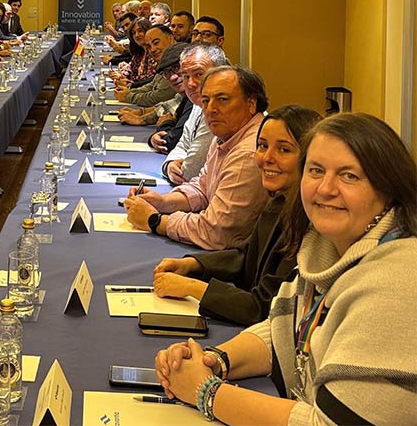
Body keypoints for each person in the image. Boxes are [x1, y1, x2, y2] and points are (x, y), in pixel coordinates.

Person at [155, 112, 417, 425]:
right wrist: (214, 360)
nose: (325, 189)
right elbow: (284, 330)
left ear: (388, 187)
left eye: (349, 176)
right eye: (316, 170)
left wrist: (206, 392)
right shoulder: (326, 248)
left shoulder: (398, 282)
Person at [153, 105, 322, 325]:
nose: (267, 157)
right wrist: (193, 264)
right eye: (262, 146)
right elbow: (246, 255)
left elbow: (266, 307)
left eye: (284, 150)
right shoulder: (280, 202)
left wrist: (193, 287)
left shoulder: (312, 226)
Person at [124, 65, 270, 250]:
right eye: (206, 100)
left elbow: (215, 232)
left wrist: (155, 221)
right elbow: (203, 187)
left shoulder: (248, 153)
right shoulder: (227, 135)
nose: (211, 109)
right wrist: (163, 202)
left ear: (251, 104)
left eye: (222, 99)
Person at [155, 44, 227, 183]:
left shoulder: (220, 110)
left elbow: (190, 172)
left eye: (199, 74)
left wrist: (174, 168)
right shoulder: (198, 102)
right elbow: (183, 144)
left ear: (220, 73)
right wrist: (169, 165)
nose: (190, 84)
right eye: (186, 76)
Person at [113, 26, 177, 106]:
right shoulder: (164, 60)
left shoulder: (177, 60)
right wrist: (129, 91)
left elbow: (160, 96)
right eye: (149, 46)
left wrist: (129, 96)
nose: (153, 49)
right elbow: (152, 85)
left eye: (156, 43)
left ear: (170, 39)